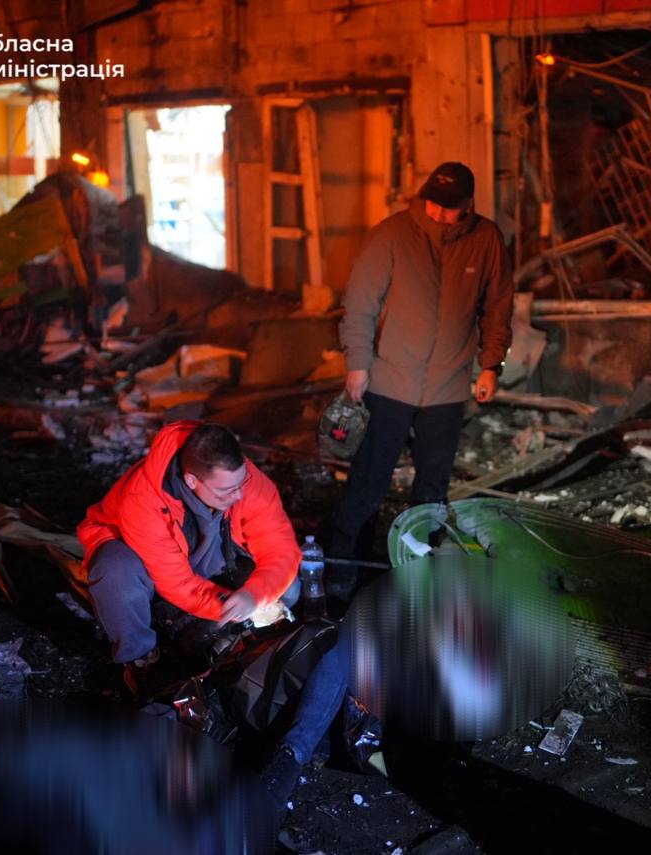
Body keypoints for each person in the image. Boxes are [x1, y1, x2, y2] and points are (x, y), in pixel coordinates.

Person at [76, 421, 348, 808]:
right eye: (225, 490)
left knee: (286, 588)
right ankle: (140, 660)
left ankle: (234, 641)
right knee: (115, 572)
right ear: (191, 480)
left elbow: (281, 549)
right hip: (144, 558)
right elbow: (175, 582)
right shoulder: (143, 497)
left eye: (240, 484)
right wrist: (226, 606)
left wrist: (254, 594)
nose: (237, 495)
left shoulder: (244, 480)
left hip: (209, 555)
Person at [330, 162, 514, 563]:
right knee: (369, 481)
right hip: (389, 381)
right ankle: (345, 567)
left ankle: (418, 566)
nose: (438, 212)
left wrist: (490, 364)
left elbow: (498, 306)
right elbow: (360, 301)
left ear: (469, 204)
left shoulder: (486, 240)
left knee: (432, 488)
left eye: (449, 207)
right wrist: (358, 363)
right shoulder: (392, 234)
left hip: (447, 386)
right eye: (433, 203)